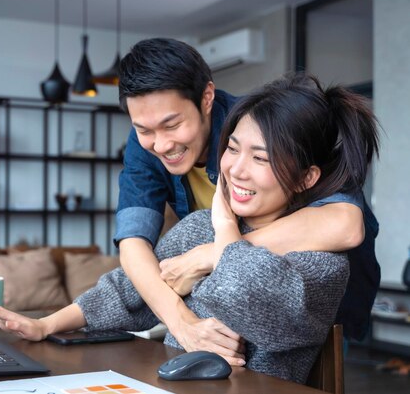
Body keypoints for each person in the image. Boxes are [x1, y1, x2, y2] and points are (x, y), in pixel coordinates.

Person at [0, 73, 380, 384]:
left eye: (261, 157)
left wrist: (222, 232)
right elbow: (128, 290)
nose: (234, 169)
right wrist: (45, 325)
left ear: (307, 177)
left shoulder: (323, 268)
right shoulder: (198, 227)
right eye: (233, 148)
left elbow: (244, 291)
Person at [114, 38, 379, 352]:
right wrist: (181, 322)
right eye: (144, 129)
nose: (160, 144)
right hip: (236, 298)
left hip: (312, 305)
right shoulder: (146, 142)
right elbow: (133, 243)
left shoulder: (263, 125)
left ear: (207, 98)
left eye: (172, 124)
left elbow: (345, 225)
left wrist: (214, 254)